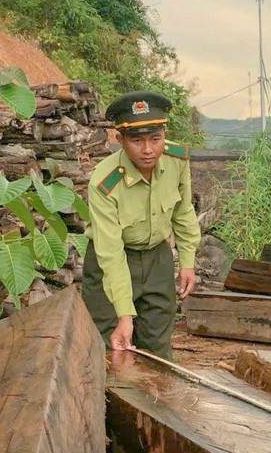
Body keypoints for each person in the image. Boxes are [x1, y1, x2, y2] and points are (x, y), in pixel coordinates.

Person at [82, 90, 200, 357]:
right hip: (110, 263)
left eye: (155, 139)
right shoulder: (105, 182)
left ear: (164, 136)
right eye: (137, 140)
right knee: (109, 348)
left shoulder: (177, 161)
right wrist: (124, 316)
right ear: (120, 139)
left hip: (158, 259)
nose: (148, 150)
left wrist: (187, 262)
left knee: (157, 348)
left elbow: (183, 212)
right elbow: (110, 253)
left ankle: (158, 398)